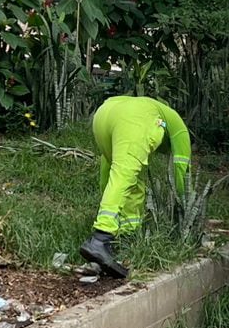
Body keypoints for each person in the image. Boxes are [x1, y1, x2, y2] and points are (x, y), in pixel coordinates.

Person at [78, 94, 192, 279]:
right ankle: (101, 238)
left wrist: (106, 199)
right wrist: (183, 202)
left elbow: (106, 173)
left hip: (104, 115)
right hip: (134, 119)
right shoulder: (180, 130)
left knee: (131, 180)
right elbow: (182, 169)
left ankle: (125, 237)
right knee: (124, 174)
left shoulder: (151, 108)